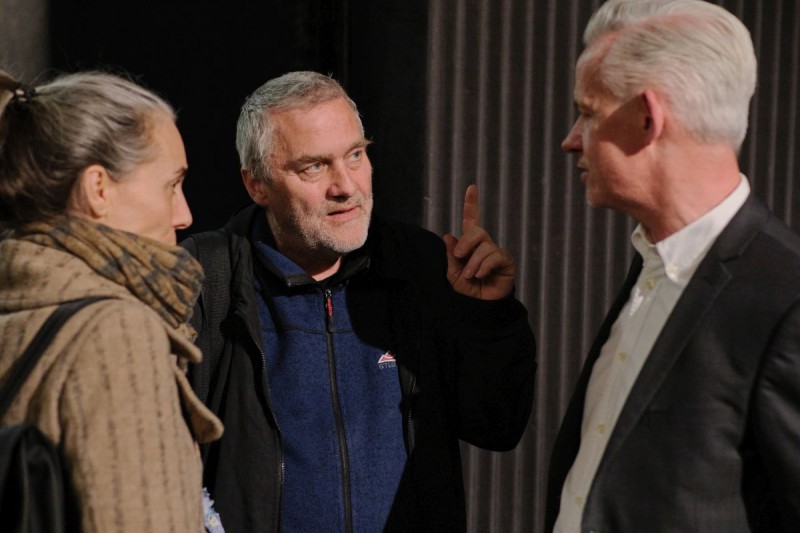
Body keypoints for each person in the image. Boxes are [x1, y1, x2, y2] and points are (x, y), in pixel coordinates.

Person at [181, 70, 536, 532]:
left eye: (355, 155)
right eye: (314, 166)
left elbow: (496, 426)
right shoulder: (207, 280)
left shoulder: (422, 265)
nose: (345, 186)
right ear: (257, 185)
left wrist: (488, 316)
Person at [546, 0, 800, 531]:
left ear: (648, 117)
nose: (571, 140)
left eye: (588, 112)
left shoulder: (785, 301)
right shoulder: (654, 264)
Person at [0, 70, 224, 532]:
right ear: (99, 189)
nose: (185, 215)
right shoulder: (115, 333)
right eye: (171, 184)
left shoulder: (18, 304)